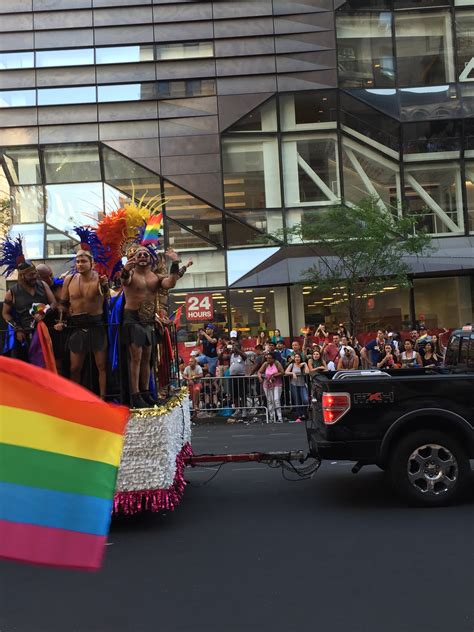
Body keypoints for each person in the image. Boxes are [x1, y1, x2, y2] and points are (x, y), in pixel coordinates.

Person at [120, 245, 181, 408]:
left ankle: (146, 393)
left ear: (150, 258)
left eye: (145, 254)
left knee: (147, 359)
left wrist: (175, 262)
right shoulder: (131, 274)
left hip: (148, 321)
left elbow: (170, 283)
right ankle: (135, 394)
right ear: (135, 258)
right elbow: (124, 280)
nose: (142, 256)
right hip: (132, 319)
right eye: (139, 254)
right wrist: (125, 269)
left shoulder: (155, 277)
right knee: (136, 358)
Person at [55, 249, 110, 399]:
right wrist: (61, 320)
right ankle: (76, 399)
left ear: (92, 263)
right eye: (78, 261)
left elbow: (106, 295)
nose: (80, 264)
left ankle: (103, 398)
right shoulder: (70, 280)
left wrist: (105, 286)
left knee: (101, 366)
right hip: (78, 326)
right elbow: (63, 303)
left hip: (96, 325)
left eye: (83, 261)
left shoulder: (100, 279)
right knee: (75, 368)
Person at [2, 259, 56, 361]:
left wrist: (44, 312)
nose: (35, 277)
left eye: (35, 273)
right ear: (22, 276)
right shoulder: (12, 292)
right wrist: (17, 328)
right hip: (25, 336)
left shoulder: (43, 285)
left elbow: (53, 303)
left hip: (45, 332)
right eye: (31, 275)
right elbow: (5, 313)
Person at [258, 352, 285, 423]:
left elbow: (282, 372)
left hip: (277, 383)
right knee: (269, 401)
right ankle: (271, 416)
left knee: (276, 400)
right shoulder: (265, 364)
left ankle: (279, 417)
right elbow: (259, 372)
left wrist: (274, 375)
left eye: (270, 358)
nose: (268, 359)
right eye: (267, 358)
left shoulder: (277, 363)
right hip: (267, 384)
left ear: (273, 359)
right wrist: (260, 377)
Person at [285, 352, 310, 421]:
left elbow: (307, 372)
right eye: (296, 357)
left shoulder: (303, 365)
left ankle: (305, 413)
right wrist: (292, 373)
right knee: (297, 400)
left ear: (300, 358)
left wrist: (305, 364)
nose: (297, 358)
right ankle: (300, 415)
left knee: (305, 400)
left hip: (302, 384)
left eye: (298, 357)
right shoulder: (292, 365)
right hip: (294, 385)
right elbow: (286, 372)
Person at [228, 342, 247, 419]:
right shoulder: (232, 355)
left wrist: (238, 350)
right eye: (233, 347)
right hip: (232, 376)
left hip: (240, 376)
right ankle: (237, 409)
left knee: (242, 394)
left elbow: (245, 357)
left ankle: (244, 410)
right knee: (234, 394)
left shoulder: (242, 354)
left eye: (236, 346)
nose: (234, 348)